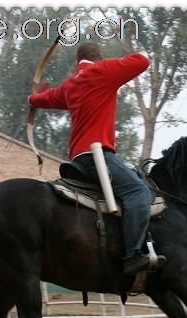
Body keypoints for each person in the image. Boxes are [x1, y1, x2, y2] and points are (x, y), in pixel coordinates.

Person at [29, 42, 164, 276]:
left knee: (133, 180)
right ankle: (134, 255)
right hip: (98, 155)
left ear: (76, 62)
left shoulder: (70, 85)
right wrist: (111, 62)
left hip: (78, 159)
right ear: (99, 59)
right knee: (138, 192)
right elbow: (143, 59)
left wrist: (34, 98)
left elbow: (45, 99)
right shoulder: (104, 70)